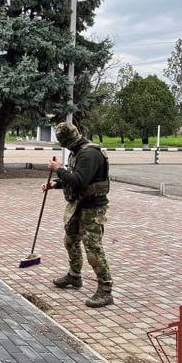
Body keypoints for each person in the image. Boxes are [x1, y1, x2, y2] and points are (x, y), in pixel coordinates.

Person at [43, 122, 114, 308]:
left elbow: (80, 180)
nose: (64, 146)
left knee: (93, 249)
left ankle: (105, 290)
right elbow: (75, 178)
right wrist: (56, 184)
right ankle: (74, 276)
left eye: (63, 142)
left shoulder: (89, 154)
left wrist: (58, 169)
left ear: (68, 140)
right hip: (79, 205)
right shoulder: (77, 152)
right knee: (70, 239)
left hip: (92, 208)